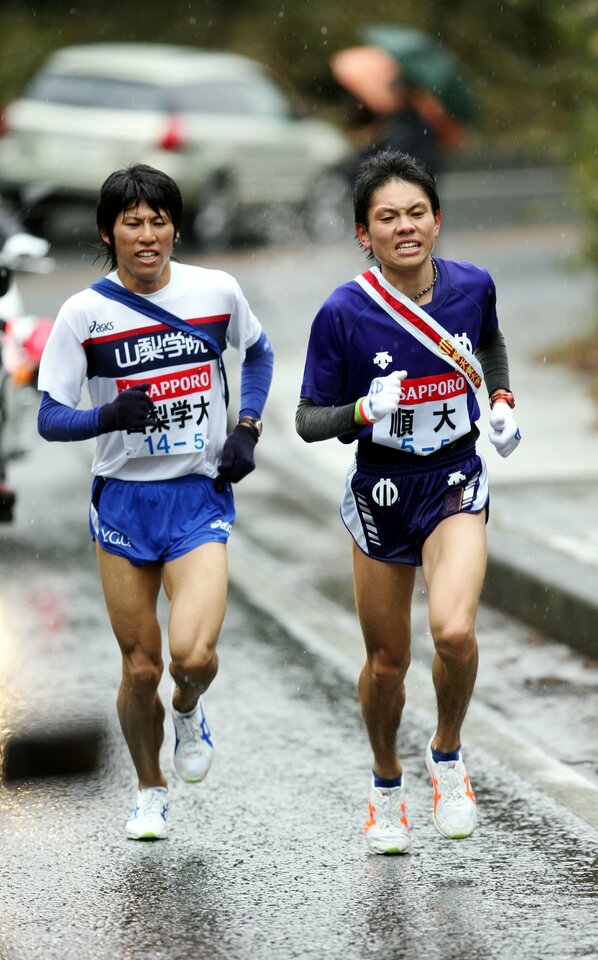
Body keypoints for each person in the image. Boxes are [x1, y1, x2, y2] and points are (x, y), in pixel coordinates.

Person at [37, 163, 274, 840]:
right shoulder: (84, 312)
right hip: (122, 505)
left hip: (197, 497)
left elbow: (259, 353)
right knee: (139, 666)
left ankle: (189, 708)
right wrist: (109, 418)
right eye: (132, 223)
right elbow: (51, 417)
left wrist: (248, 427)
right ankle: (148, 786)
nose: (147, 235)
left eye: (159, 221)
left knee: (191, 658)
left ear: (175, 226)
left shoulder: (216, 291)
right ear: (108, 233)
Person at [296, 150, 520, 854]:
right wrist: (362, 410)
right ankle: (385, 783)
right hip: (382, 490)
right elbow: (308, 419)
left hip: (455, 478)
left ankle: (447, 756)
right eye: (387, 217)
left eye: (416, 213)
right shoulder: (343, 311)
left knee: (453, 633)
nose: (405, 227)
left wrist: (503, 399)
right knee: (387, 662)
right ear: (365, 233)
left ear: (437, 219)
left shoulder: (472, 285)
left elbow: (489, 341)